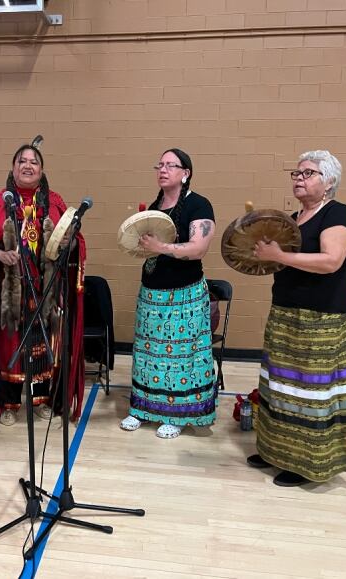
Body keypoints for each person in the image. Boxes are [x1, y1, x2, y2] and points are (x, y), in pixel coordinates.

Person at [248, 150, 346, 487]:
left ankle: (306, 465)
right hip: (286, 312)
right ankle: (274, 452)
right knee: (280, 386)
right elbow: (282, 261)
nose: (299, 177)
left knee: (311, 394)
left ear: (328, 183)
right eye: (296, 173)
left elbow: (330, 261)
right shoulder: (293, 218)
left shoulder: (338, 214)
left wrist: (279, 254)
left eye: (308, 173)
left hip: (323, 318)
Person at [0, 142, 87, 425]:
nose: (28, 166)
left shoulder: (54, 202)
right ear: (13, 168)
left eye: (34, 162)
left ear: (42, 171)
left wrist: (69, 243)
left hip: (46, 289)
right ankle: (7, 402)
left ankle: (41, 398)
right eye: (22, 161)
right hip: (10, 289)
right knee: (10, 344)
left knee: (44, 343)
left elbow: (76, 241)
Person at [120, 148, 217, 439]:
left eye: (170, 165)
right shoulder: (155, 205)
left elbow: (199, 248)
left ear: (185, 173)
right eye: (159, 165)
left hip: (184, 295)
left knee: (180, 358)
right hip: (152, 293)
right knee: (148, 355)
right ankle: (143, 409)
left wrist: (161, 248)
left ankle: (177, 415)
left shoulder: (199, 205)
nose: (162, 170)